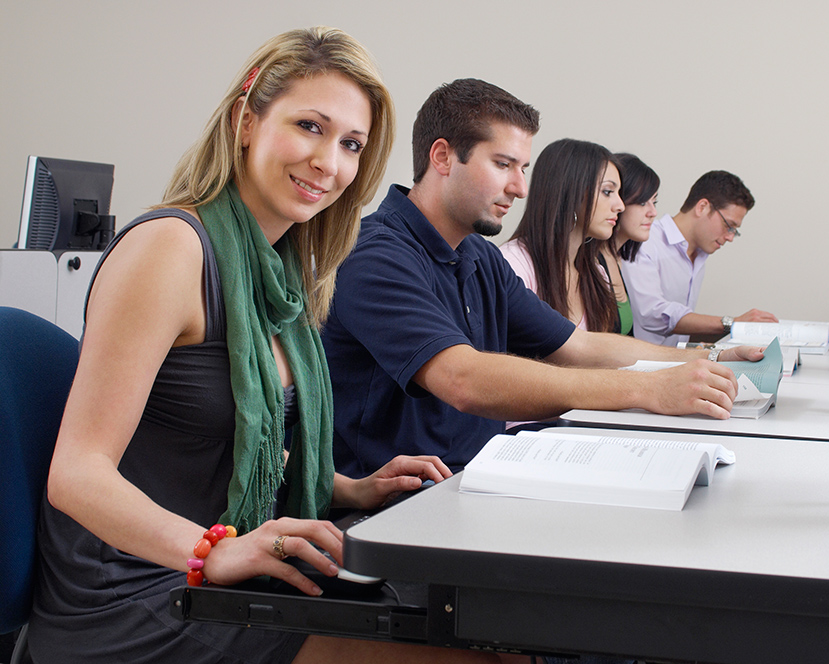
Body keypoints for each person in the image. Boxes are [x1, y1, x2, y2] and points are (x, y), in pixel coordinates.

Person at [30, 28, 499, 664]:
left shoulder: (280, 272)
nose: (329, 162)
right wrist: (213, 550)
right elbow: (76, 474)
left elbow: (240, 443)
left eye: (351, 144)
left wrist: (351, 489)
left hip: (223, 566)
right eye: (309, 126)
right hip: (137, 590)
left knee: (483, 623)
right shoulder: (170, 249)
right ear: (245, 121)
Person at [321, 78, 764, 480]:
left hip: (476, 480)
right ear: (442, 157)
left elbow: (579, 346)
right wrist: (648, 389)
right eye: (503, 164)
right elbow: (463, 379)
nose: (520, 187)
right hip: (396, 507)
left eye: (523, 169)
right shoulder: (375, 252)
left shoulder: (478, 254)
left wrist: (710, 358)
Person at [622, 170, 778, 346]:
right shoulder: (646, 241)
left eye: (734, 231)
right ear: (702, 207)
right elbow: (652, 315)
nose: (730, 237)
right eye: (728, 225)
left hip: (674, 358)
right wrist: (731, 323)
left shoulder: (700, 254)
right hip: (641, 360)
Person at [499, 138, 624, 332]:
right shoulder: (514, 264)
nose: (620, 206)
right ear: (570, 192)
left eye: (618, 193)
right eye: (607, 192)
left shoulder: (596, 274)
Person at [598, 152, 661, 336]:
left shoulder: (616, 258)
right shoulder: (592, 262)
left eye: (654, 202)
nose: (653, 212)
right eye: (642, 203)